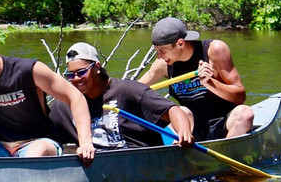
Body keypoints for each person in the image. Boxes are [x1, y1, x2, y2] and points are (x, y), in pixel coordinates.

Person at [0, 27, 96, 162]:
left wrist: (85, 143)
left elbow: (75, 97)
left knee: (36, 153)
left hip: (38, 142)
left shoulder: (28, 70)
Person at [49, 42, 193, 149]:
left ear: (97, 67)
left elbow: (173, 110)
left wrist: (184, 133)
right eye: (70, 75)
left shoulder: (128, 90)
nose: (76, 79)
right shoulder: (64, 105)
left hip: (139, 162)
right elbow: (44, 133)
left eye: (81, 72)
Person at [139, 17, 254, 141]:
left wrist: (210, 83)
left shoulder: (214, 50)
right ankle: (175, 152)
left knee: (245, 113)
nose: (159, 56)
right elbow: (135, 89)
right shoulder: (163, 64)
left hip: (225, 121)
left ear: (180, 43)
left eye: (162, 50)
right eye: (157, 51)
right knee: (180, 111)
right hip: (192, 126)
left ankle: (228, 152)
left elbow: (240, 96)